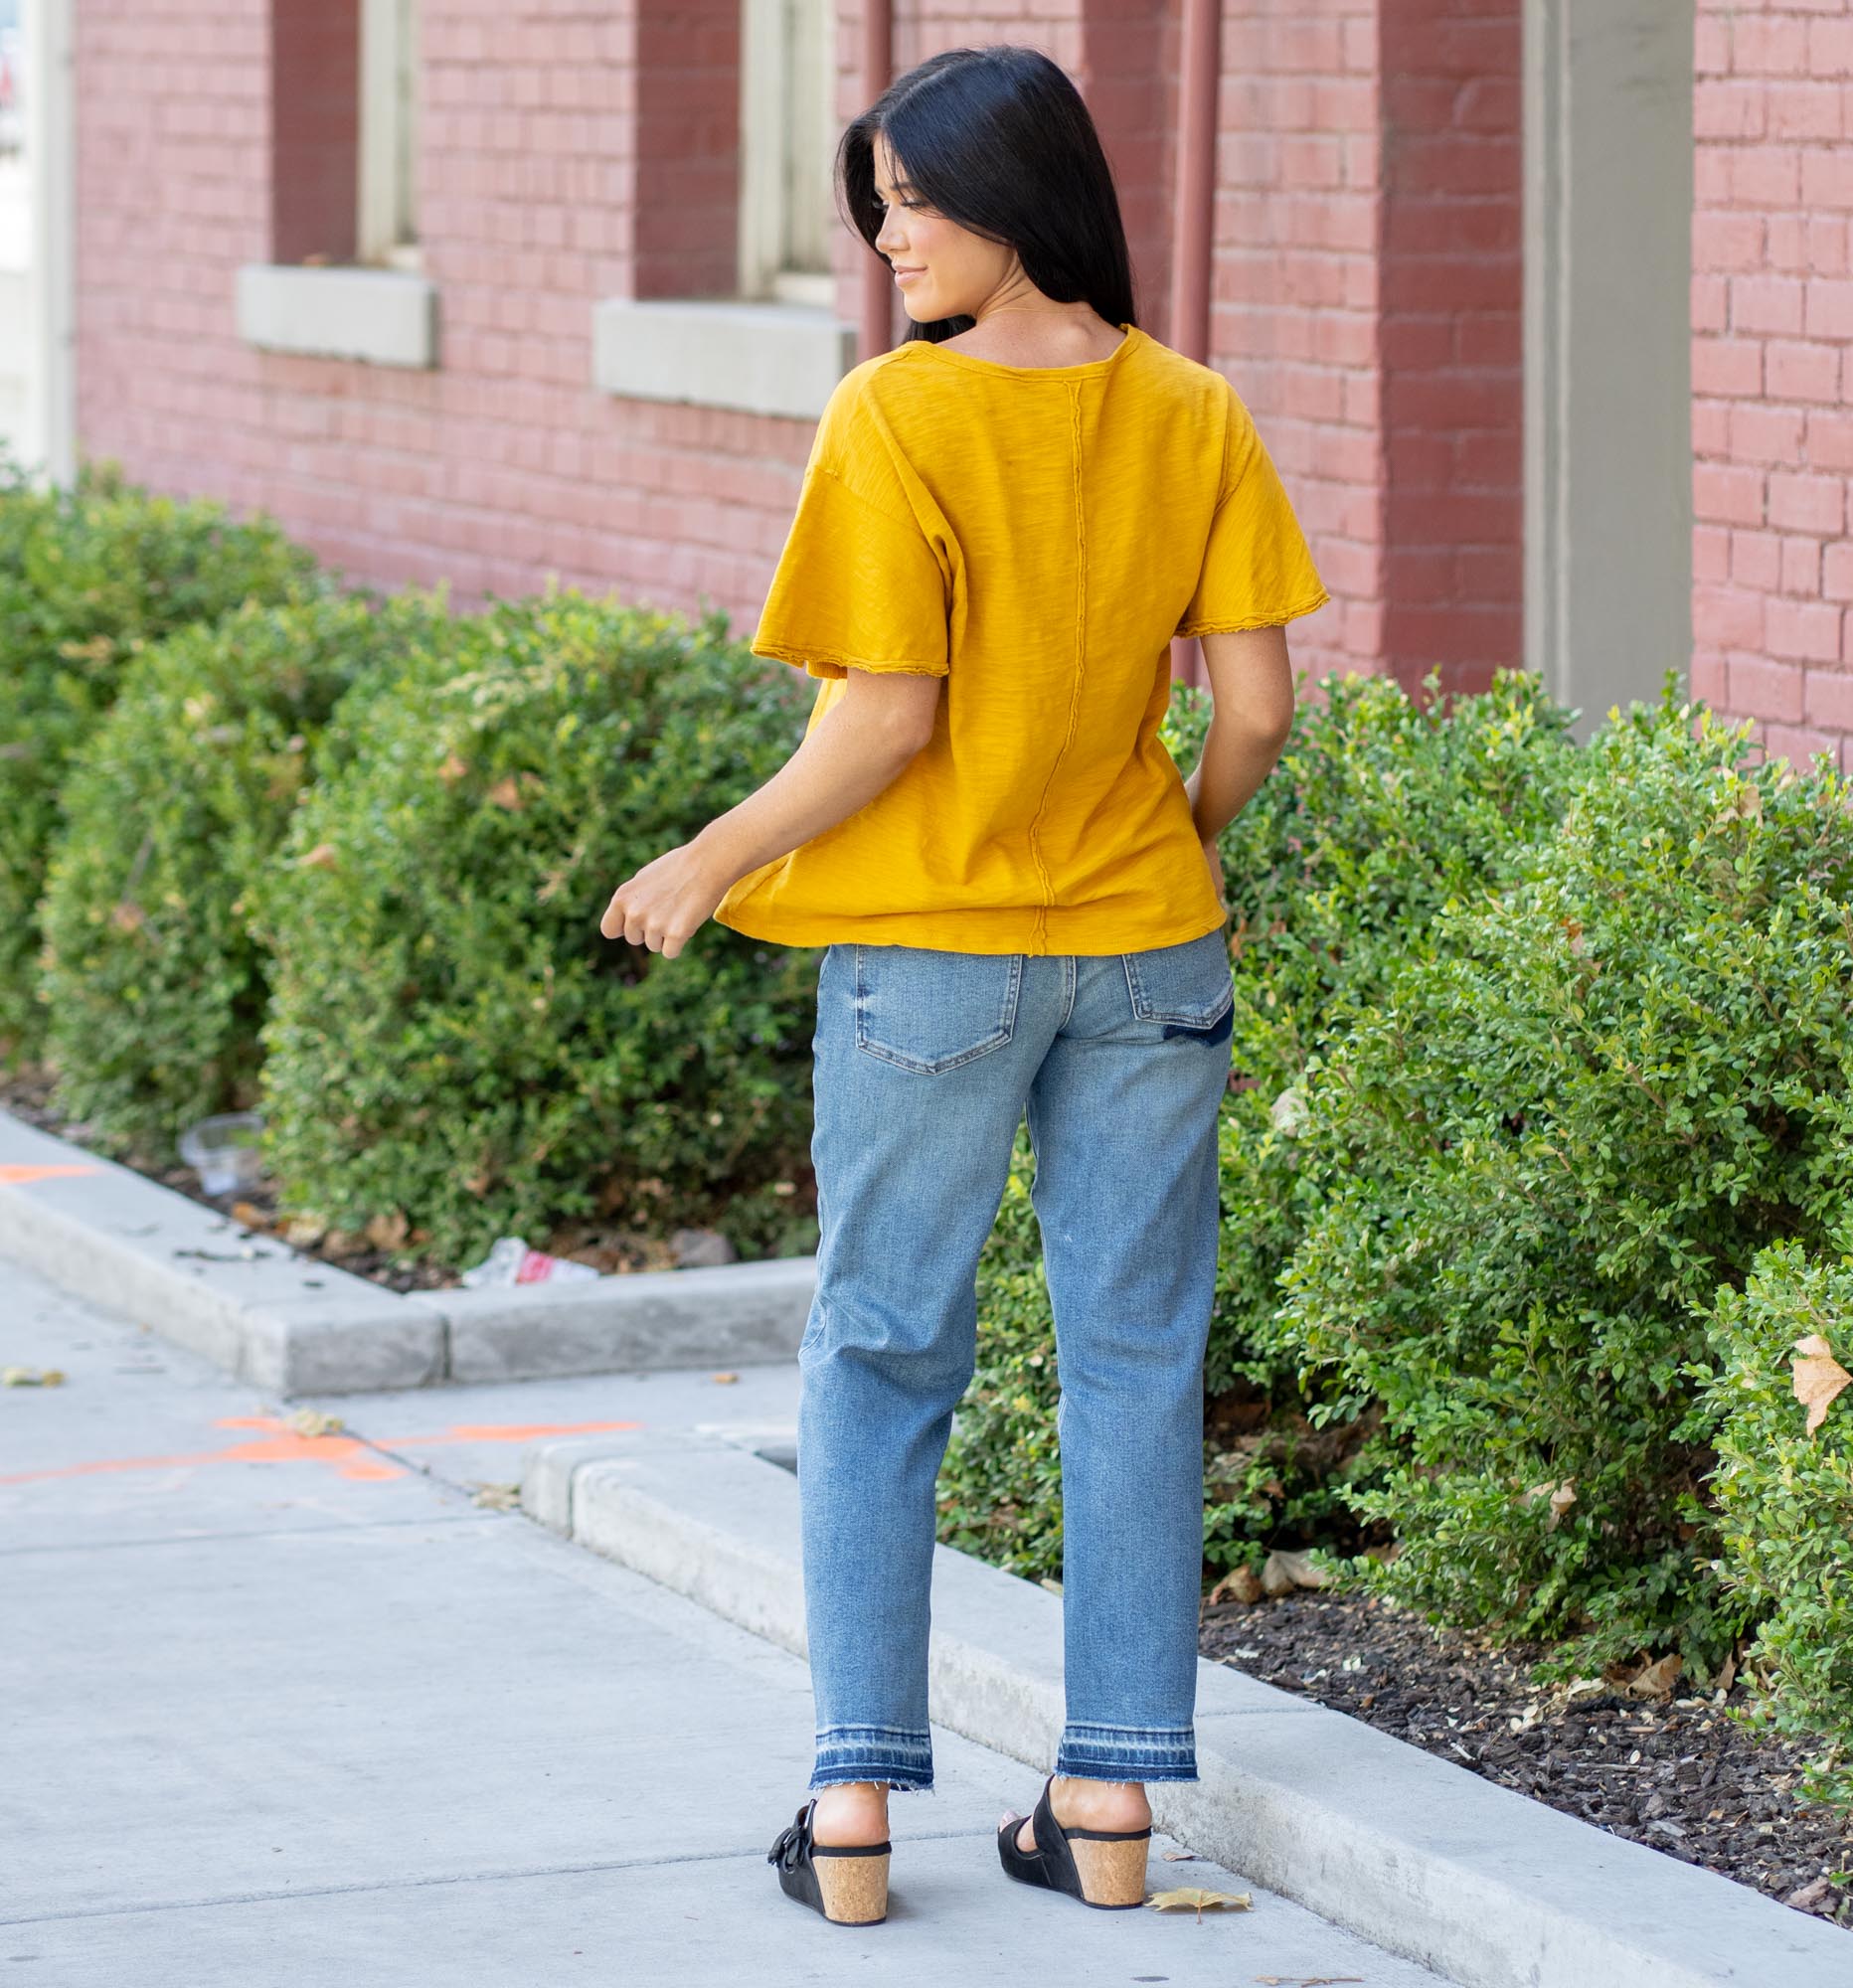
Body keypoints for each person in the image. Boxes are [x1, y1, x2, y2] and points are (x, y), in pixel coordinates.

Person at [597, 43, 1327, 1927]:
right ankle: (1109, 1805)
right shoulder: (1195, 410)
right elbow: (1256, 709)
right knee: (1137, 1361)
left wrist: (708, 858)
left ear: (1020, 197)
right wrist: (1173, 848)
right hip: (1147, 950)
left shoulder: (896, 417)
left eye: (917, 203)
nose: (890, 239)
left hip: (932, 956)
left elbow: (886, 722)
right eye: (877, 207)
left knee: (880, 1354)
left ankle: (853, 1809)